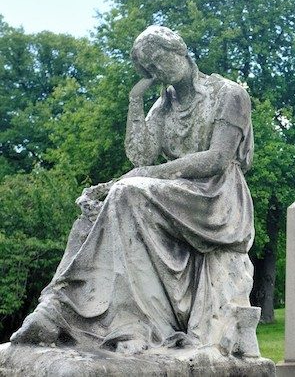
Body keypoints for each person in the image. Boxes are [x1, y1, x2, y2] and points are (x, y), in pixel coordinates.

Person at [10, 26, 258, 356]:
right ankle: (60, 309)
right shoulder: (163, 105)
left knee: (128, 194)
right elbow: (140, 155)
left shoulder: (229, 94)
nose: (156, 72)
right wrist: (135, 100)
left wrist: (142, 177)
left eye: (158, 61)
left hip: (216, 201)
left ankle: (83, 315)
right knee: (94, 212)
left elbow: (217, 159)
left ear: (179, 50)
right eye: (148, 68)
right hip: (172, 191)